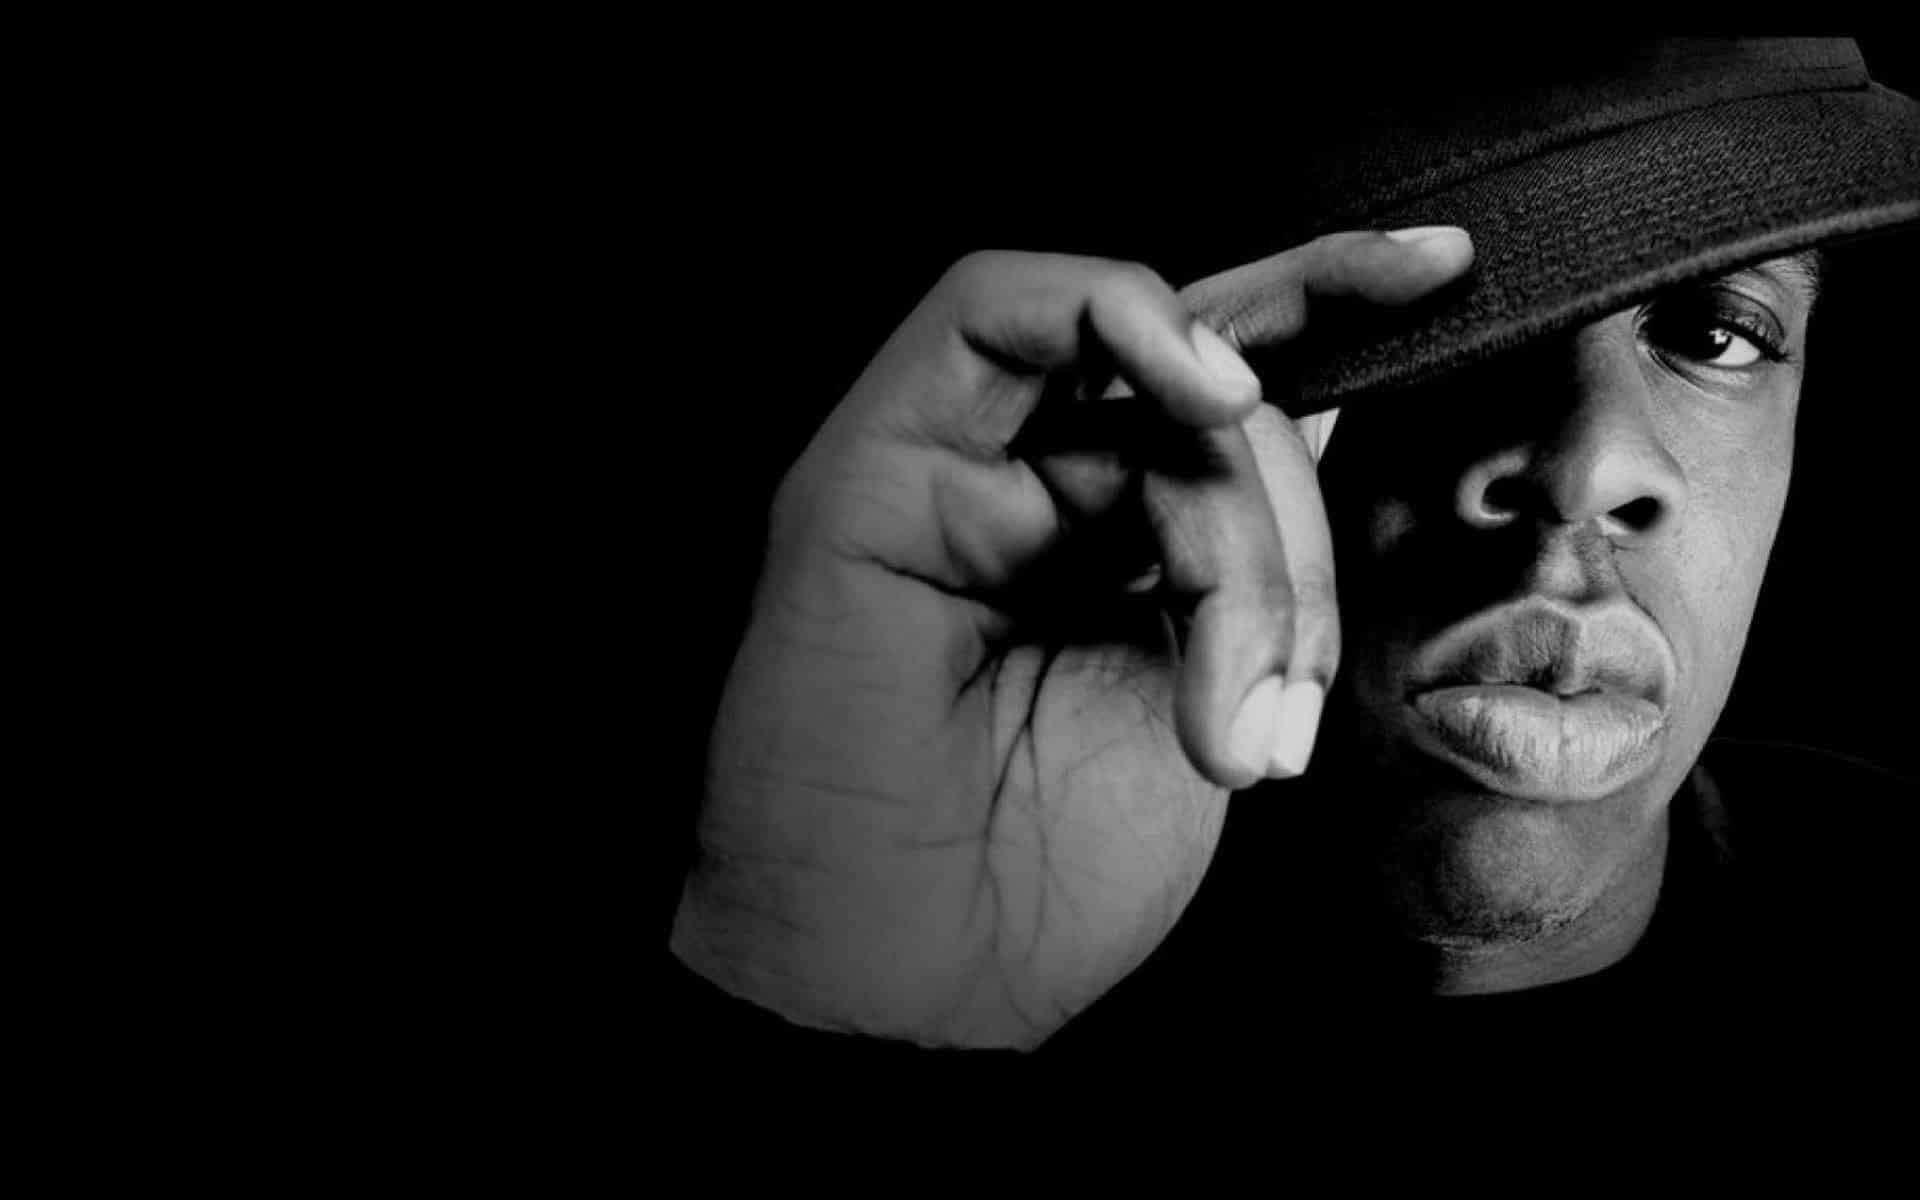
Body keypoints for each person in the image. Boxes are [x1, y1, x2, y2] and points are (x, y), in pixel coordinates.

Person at [664, 38, 1920, 1066]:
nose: (1588, 467)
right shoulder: (916, 871)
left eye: (1718, 332)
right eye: (1447, 322)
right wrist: (833, 989)